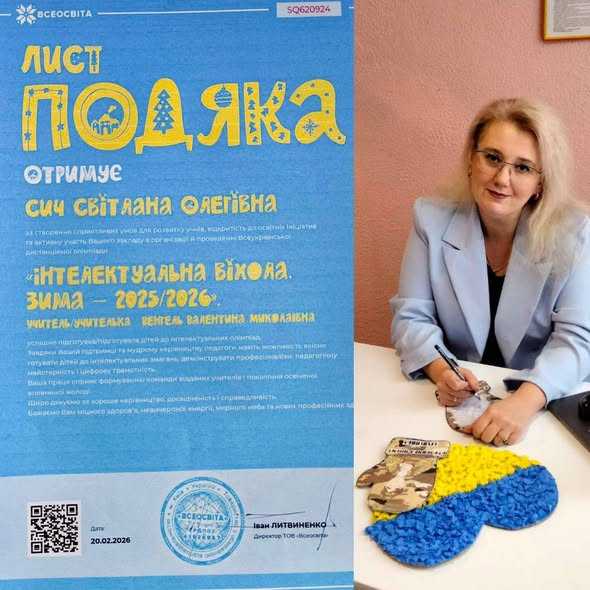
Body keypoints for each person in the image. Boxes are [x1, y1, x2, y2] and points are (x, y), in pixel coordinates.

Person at [390, 98, 590, 446]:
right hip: (454, 406)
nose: (502, 178)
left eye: (523, 167)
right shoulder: (430, 219)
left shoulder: (576, 234)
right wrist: (442, 371)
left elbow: (577, 340)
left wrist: (524, 402)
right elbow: (411, 317)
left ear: (540, 183)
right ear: (472, 159)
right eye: (493, 158)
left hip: (541, 404)